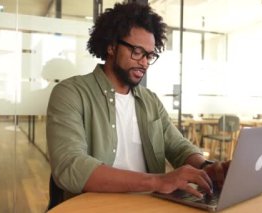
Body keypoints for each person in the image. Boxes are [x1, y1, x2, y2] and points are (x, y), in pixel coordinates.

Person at [46, 2, 229, 208]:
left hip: (150, 205)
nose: (144, 62)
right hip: (95, 206)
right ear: (112, 46)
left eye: (149, 55)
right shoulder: (71, 93)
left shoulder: (149, 100)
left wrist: (205, 167)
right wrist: (159, 181)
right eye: (137, 51)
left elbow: (177, 146)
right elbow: (70, 167)